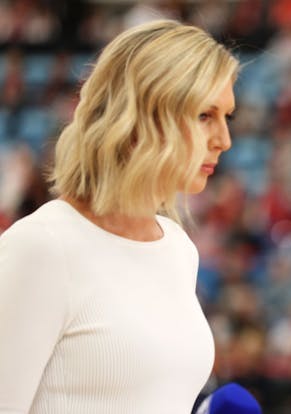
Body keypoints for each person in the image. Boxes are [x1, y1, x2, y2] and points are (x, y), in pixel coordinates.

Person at [0, 19, 238, 413]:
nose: (224, 140)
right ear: (143, 116)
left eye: (227, 116)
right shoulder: (41, 248)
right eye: (204, 115)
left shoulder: (177, 247)